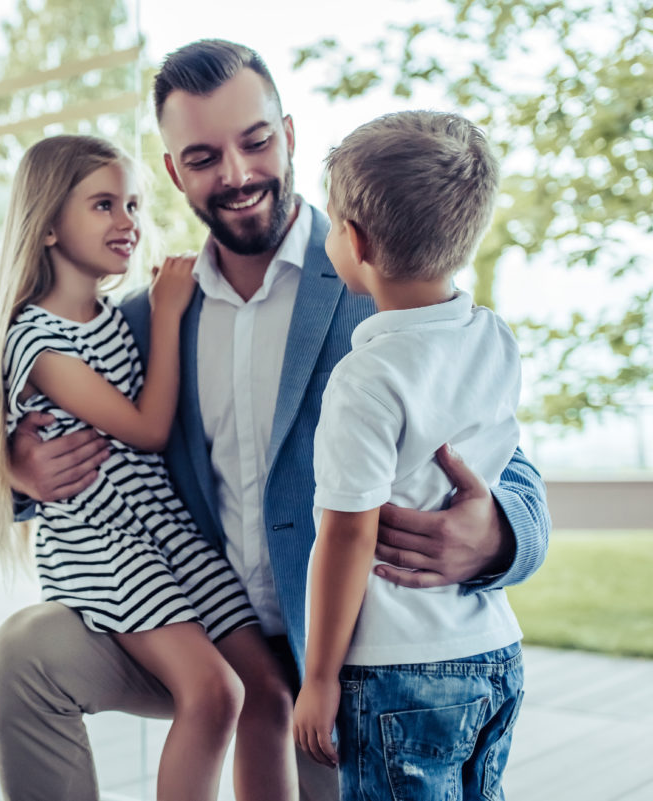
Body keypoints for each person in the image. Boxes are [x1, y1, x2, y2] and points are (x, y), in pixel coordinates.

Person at [0, 40, 550, 801]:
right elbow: (53, 402)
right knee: (23, 652)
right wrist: (20, 466)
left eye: (255, 142)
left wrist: (498, 534)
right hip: (198, 616)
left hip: (346, 648)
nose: (238, 173)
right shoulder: (151, 314)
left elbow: (510, 463)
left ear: (289, 134)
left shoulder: (382, 276)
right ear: (173, 172)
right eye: (204, 156)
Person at [0, 133, 296, 801]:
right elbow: (144, 429)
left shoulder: (117, 317)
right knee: (212, 693)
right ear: (49, 224)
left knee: (269, 690)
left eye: (134, 205)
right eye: (104, 205)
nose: (128, 223)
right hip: (107, 546)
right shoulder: (38, 334)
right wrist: (170, 314)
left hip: (171, 536)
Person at [293, 111, 526, 800]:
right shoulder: (494, 337)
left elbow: (346, 534)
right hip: (492, 652)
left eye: (333, 223)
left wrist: (318, 677)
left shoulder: (366, 376)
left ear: (356, 241)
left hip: (397, 671)